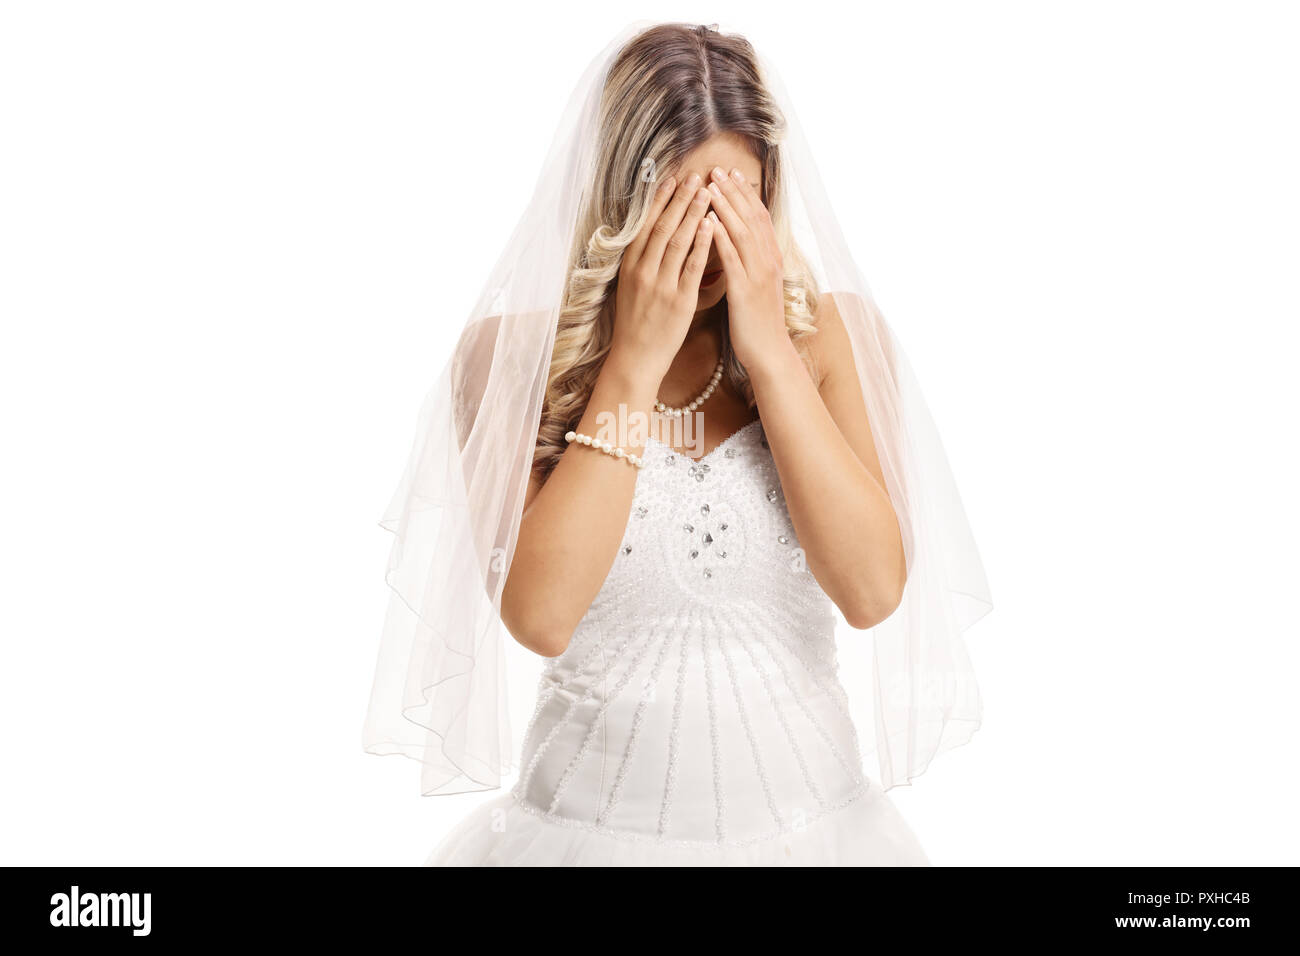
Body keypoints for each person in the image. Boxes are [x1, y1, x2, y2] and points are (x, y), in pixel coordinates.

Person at [363, 20, 993, 867]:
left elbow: (874, 590)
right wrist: (632, 362)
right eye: (686, 210)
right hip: (581, 838)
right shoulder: (506, 357)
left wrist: (770, 351)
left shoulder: (831, 339)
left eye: (737, 206)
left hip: (816, 834)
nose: (711, 245)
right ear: (623, 200)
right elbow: (541, 618)